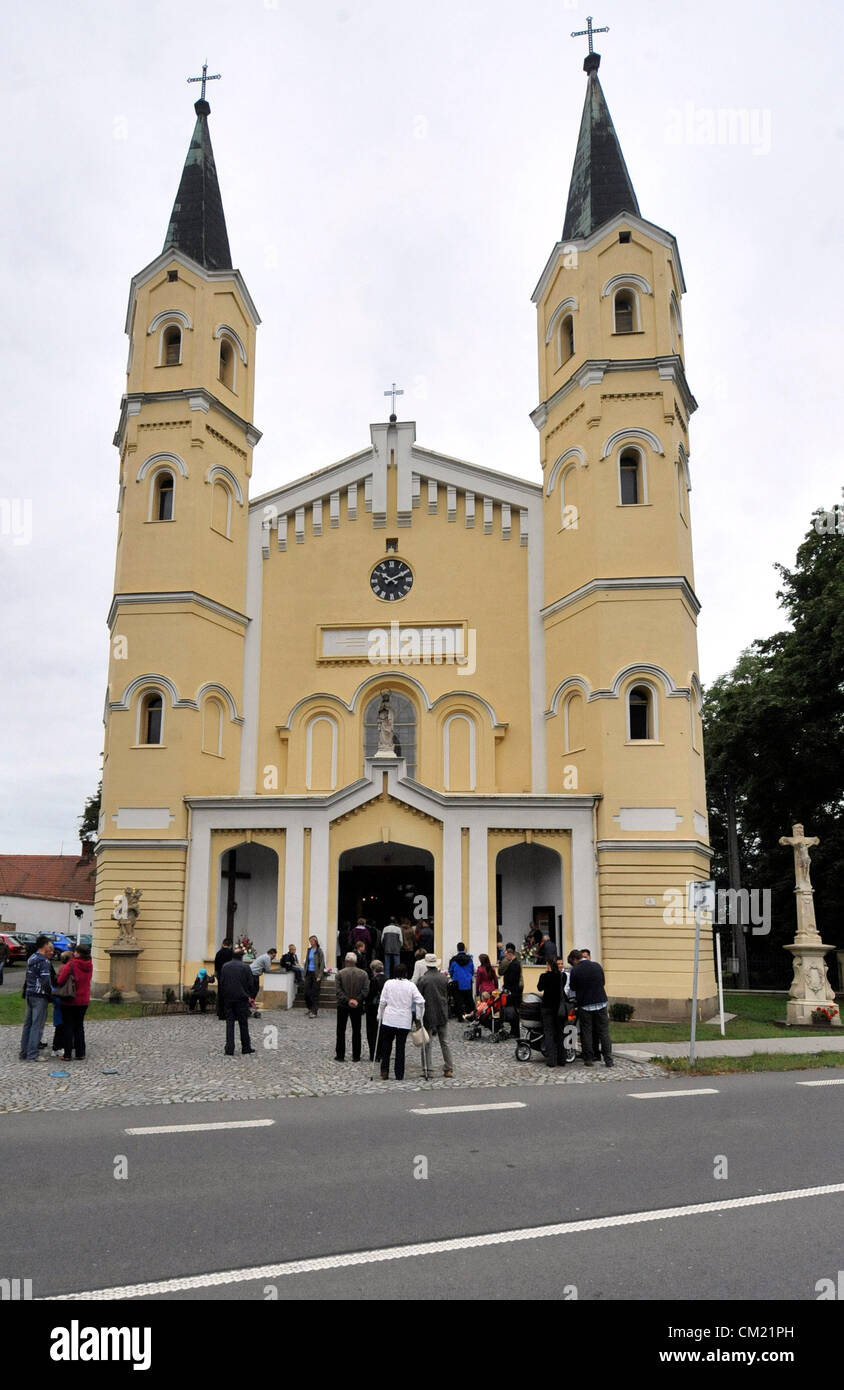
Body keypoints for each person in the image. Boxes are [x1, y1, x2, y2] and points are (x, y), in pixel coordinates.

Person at [377, 964, 424, 1081]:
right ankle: (399, 1074)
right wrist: (419, 1015)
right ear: (406, 974)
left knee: (386, 1046)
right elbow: (421, 1001)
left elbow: (382, 1001)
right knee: (400, 1047)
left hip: (389, 1019)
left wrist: (380, 1015)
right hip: (404, 1020)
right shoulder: (411, 985)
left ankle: (384, 1070)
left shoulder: (388, 983)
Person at [569, 954, 613, 1067]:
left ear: (575, 960)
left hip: (585, 1004)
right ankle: (608, 1059)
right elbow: (603, 982)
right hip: (600, 1002)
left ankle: (588, 1059)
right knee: (604, 1031)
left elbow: (573, 987)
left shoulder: (575, 970)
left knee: (586, 1031)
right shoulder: (597, 966)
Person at [417, 953, 454, 1077]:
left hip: (428, 1013)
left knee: (427, 1042)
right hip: (442, 1012)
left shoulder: (423, 979)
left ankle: (428, 1069)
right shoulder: (444, 978)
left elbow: (419, 997)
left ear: (427, 965)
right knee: (444, 1041)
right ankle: (448, 1068)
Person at [56, 945, 94, 1061]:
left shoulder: (71, 964)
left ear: (78, 953)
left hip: (70, 999)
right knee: (79, 1026)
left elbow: (60, 980)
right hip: (84, 1000)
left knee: (68, 1026)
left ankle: (67, 1054)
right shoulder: (90, 965)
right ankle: (80, 1053)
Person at [19, 935, 54, 1061]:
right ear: (44, 945)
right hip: (39, 996)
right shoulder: (44, 961)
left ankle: (23, 1052)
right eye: (49, 945)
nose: (51, 948)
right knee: (37, 1026)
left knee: (27, 1024)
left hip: (29, 993)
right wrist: (51, 994)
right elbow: (45, 981)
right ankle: (33, 1054)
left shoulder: (31, 958)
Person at [219, 946, 256, 1056]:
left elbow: (222, 982)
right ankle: (246, 1047)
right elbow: (250, 983)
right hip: (242, 998)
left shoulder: (225, 966)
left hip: (228, 998)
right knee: (243, 1023)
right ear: (242, 957)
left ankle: (229, 1048)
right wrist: (248, 995)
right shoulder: (245, 967)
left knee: (229, 1023)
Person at [334, 952, 370, 1062]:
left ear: (346, 961)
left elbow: (338, 990)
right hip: (357, 1005)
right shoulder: (363, 974)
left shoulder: (339, 974)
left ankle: (340, 1055)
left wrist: (347, 1000)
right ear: (355, 962)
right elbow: (365, 990)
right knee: (356, 1030)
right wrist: (357, 1000)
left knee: (341, 1030)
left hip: (343, 1005)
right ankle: (356, 1055)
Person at [536, 957, 564, 1067]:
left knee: (549, 1033)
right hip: (558, 1007)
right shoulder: (561, 976)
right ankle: (562, 1059)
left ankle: (551, 1060)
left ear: (548, 966)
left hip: (547, 1007)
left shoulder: (544, 976)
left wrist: (546, 974)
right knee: (560, 1033)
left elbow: (539, 988)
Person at [498, 944, 523, 1039]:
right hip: (512, 991)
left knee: (513, 1013)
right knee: (513, 1012)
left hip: (513, 992)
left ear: (510, 954)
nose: (506, 957)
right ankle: (513, 1031)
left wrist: (506, 987)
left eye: (506, 955)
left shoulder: (514, 964)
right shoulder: (514, 963)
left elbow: (512, 979)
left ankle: (515, 1032)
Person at [365, 959, 387, 1062]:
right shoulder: (387, 979)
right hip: (385, 1009)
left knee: (372, 1032)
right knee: (383, 1031)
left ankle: (374, 1053)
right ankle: (382, 1053)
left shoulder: (373, 980)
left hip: (373, 1008)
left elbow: (370, 995)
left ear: (373, 970)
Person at [448, 943, 475, 1019]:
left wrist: (454, 977)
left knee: (458, 999)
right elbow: (472, 970)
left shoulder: (453, 960)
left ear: (457, 949)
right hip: (467, 981)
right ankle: (471, 1015)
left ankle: (459, 1016)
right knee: (469, 999)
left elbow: (451, 970)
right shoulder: (469, 959)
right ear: (464, 948)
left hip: (457, 981)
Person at [303, 935, 325, 1017]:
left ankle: (314, 1011)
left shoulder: (319, 951)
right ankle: (310, 1008)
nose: (310, 943)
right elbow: (306, 963)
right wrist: (304, 974)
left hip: (316, 974)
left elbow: (322, 964)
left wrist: (319, 975)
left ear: (315, 941)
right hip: (308, 973)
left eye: (311, 941)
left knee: (315, 993)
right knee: (306, 992)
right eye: (310, 941)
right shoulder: (309, 950)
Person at [214, 937, 234, 1019]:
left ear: (223, 944)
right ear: (230, 945)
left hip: (220, 975)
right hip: (229, 976)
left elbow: (216, 965)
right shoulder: (231, 953)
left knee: (220, 993)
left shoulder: (218, 953)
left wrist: (216, 974)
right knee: (229, 994)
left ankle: (220, 1012)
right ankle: (228, 1012)